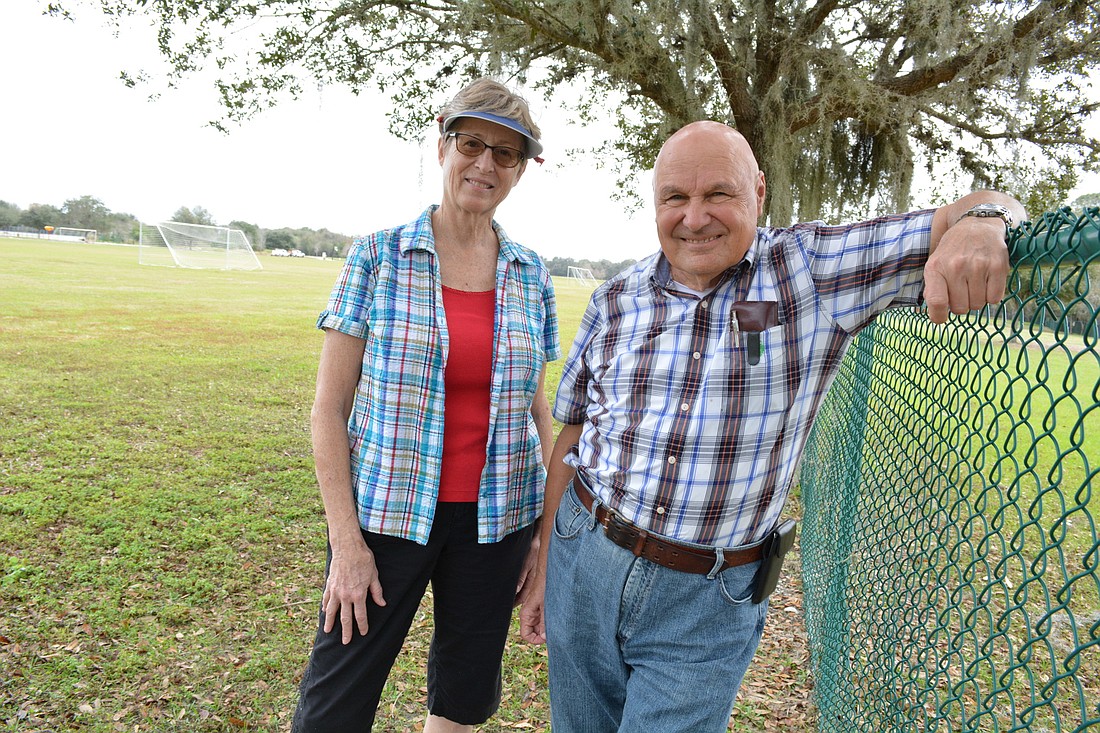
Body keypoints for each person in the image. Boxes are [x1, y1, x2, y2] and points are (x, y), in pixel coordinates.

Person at [516, 120, 1025, 732]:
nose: (694, 217)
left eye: (718, 194)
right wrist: (547, 560)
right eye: (675, 198)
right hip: (585, 550)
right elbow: (571, 436)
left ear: (758, 191)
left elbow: (978, 210)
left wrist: (985, 219)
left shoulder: (809, 271)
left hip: (704, 597)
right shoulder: (617, 298)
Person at [292, 78, 561, 733]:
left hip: (496, 521)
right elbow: (329, 410)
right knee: (335, 698)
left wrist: (546, 544)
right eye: (473, 143)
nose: (486, 164)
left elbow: (538, 410)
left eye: (507, 154)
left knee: (464, 696)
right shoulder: (380, 255)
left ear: (522, 170)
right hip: (387, 515)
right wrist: (346, 543)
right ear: (443, 141)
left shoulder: (531, 273)